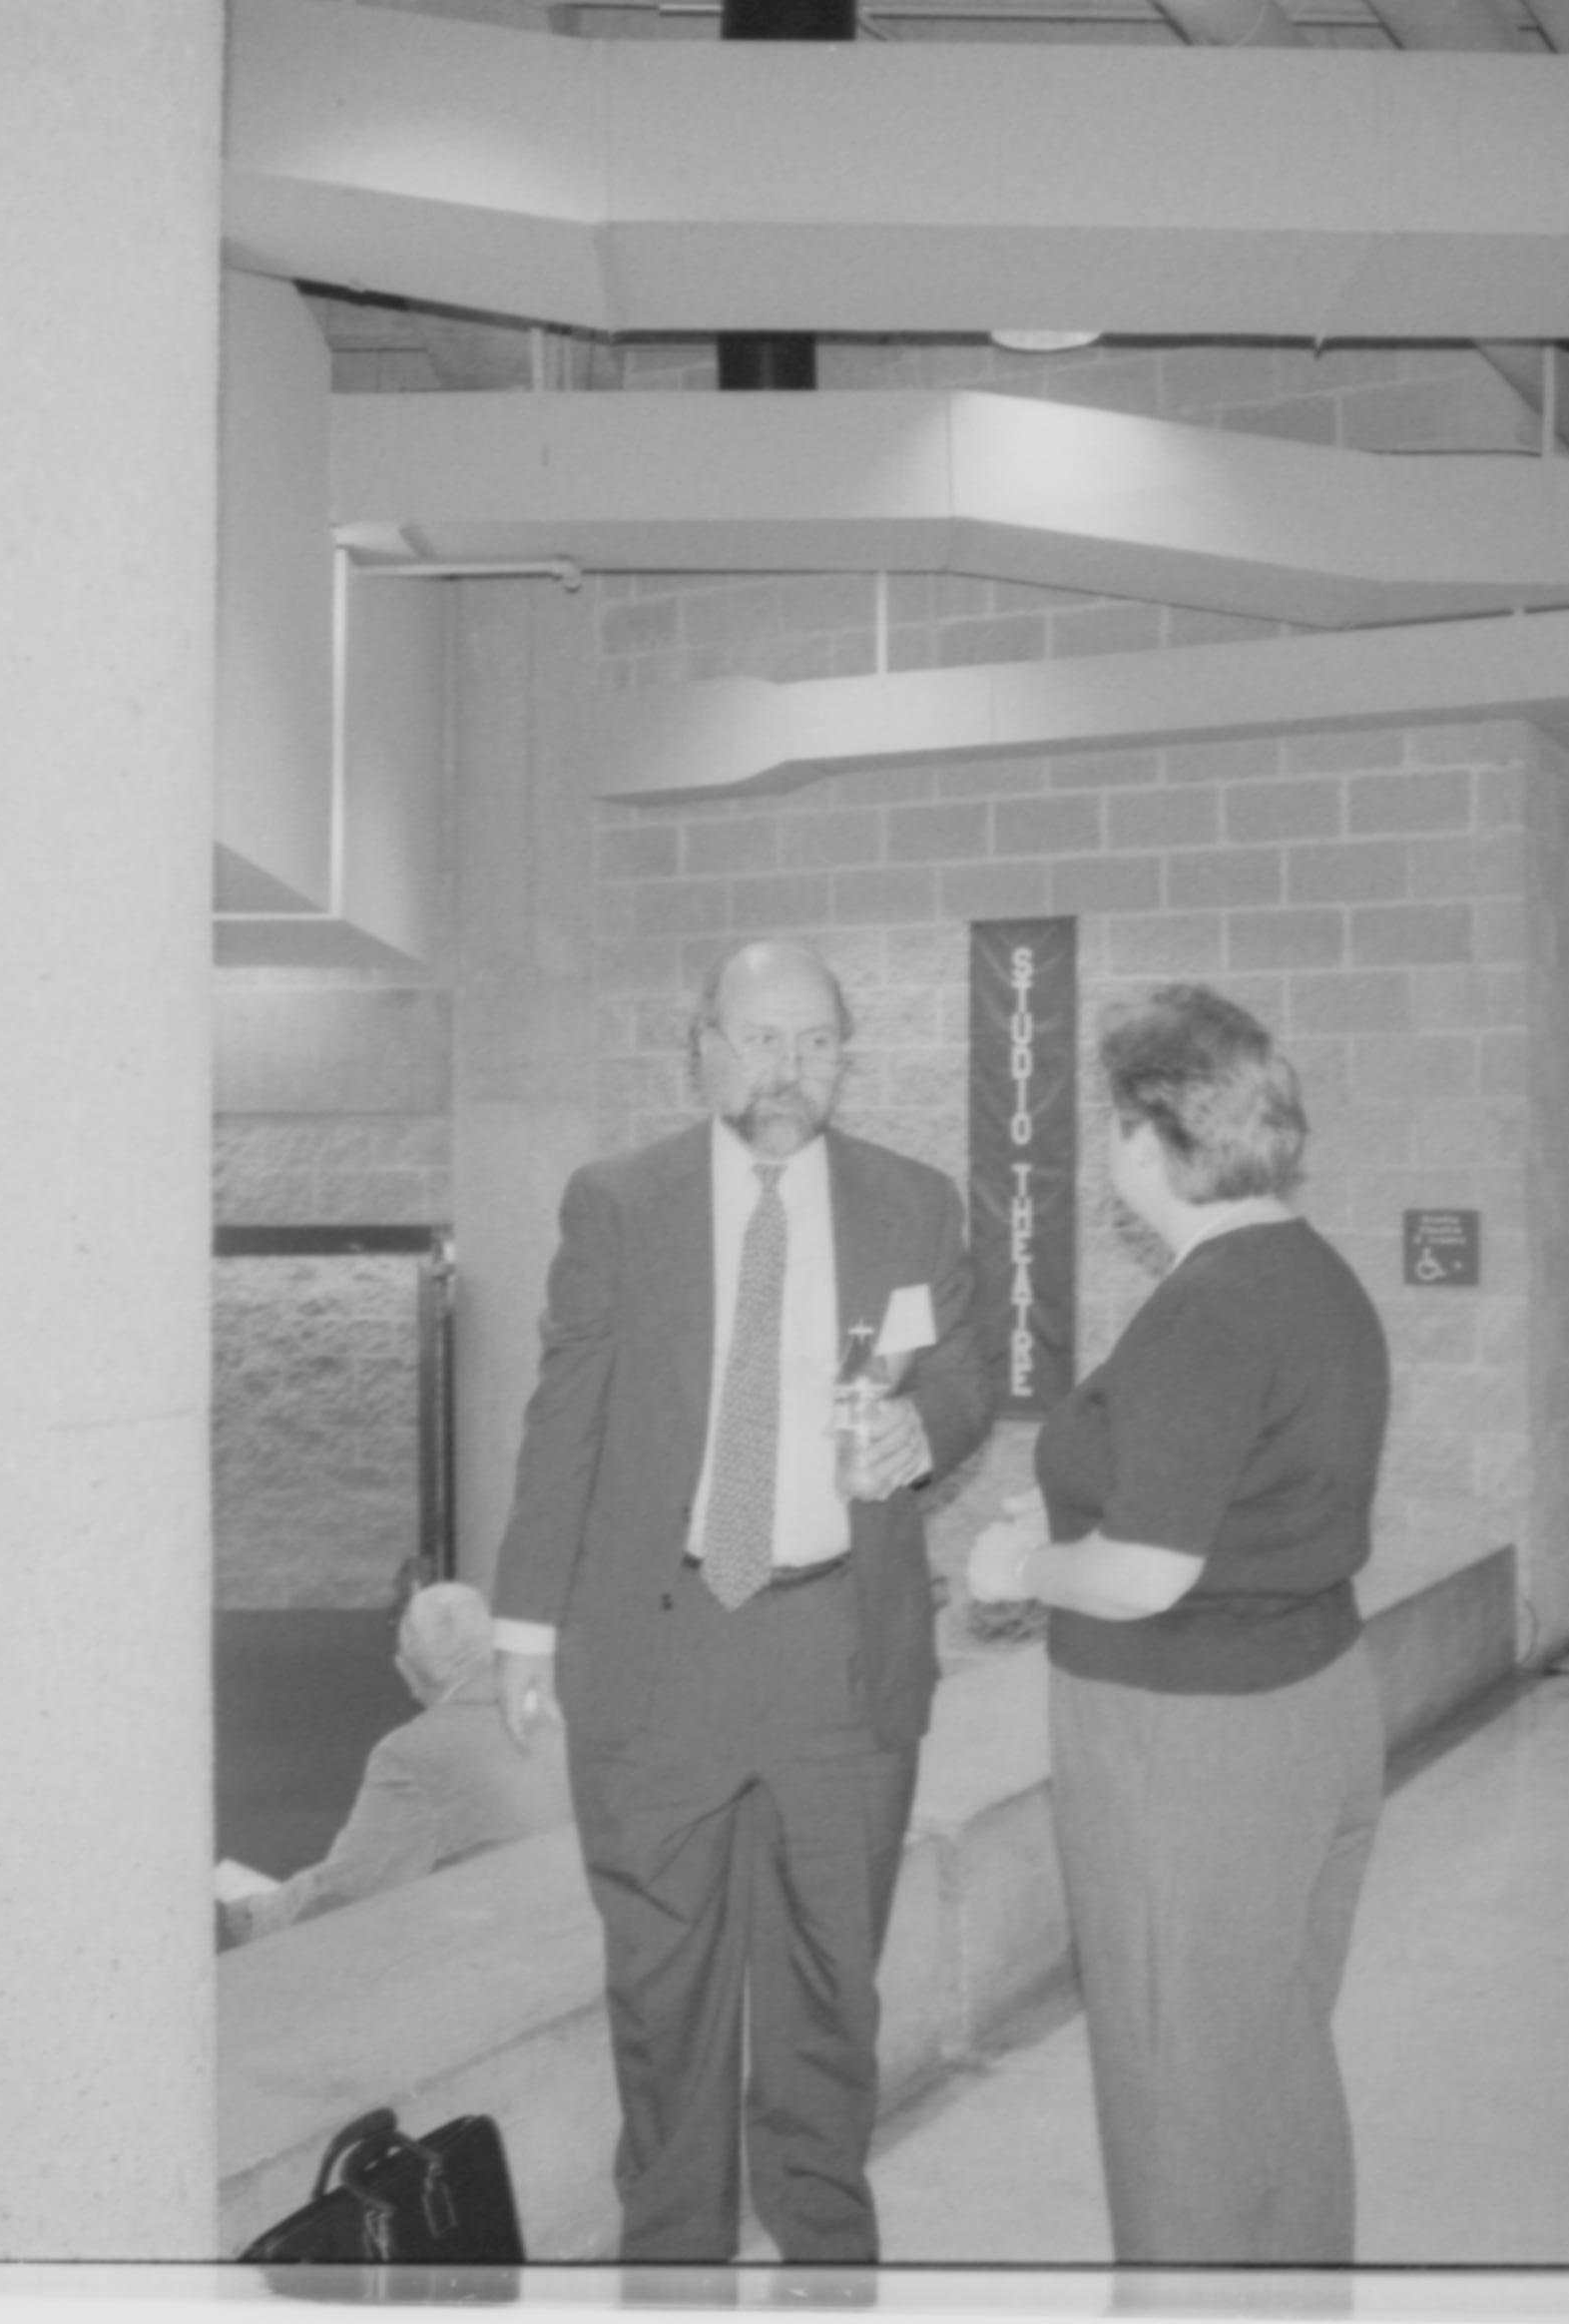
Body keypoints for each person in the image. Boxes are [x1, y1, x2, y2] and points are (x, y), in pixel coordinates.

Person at [491, 936, 993, 2264]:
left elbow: (963, 1373)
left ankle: (829, 2267)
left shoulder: (911, 1203)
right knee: (662, 2000)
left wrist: (923, 1431)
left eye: (816, 1042)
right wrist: (525, 1621)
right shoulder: (620, 1201)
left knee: (833, 1996)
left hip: (838, 1650)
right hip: (659, 1659)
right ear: (702, 1044)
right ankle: (672, 2271)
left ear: (844, 1058)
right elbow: (566, 1423)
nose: (788, 1068)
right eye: (761, 1037)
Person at [964, 983, 1390, 2266]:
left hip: (1187, 1742)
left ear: (1153, 1137)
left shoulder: (1214, 1308)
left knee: (1177, 2085)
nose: (1110, 1152)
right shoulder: (1316, 1278)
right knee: (1267, 2053)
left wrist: (1020, 1564)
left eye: (1114, 1126)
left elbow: (1146, 1573)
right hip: (1312, 1702)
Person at [217, 1580, 571, 1949]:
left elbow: (352, 1886)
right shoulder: (563, 1721)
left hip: (495, 1958)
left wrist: (260, 1914)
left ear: (406, 1671)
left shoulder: (414, 1753)